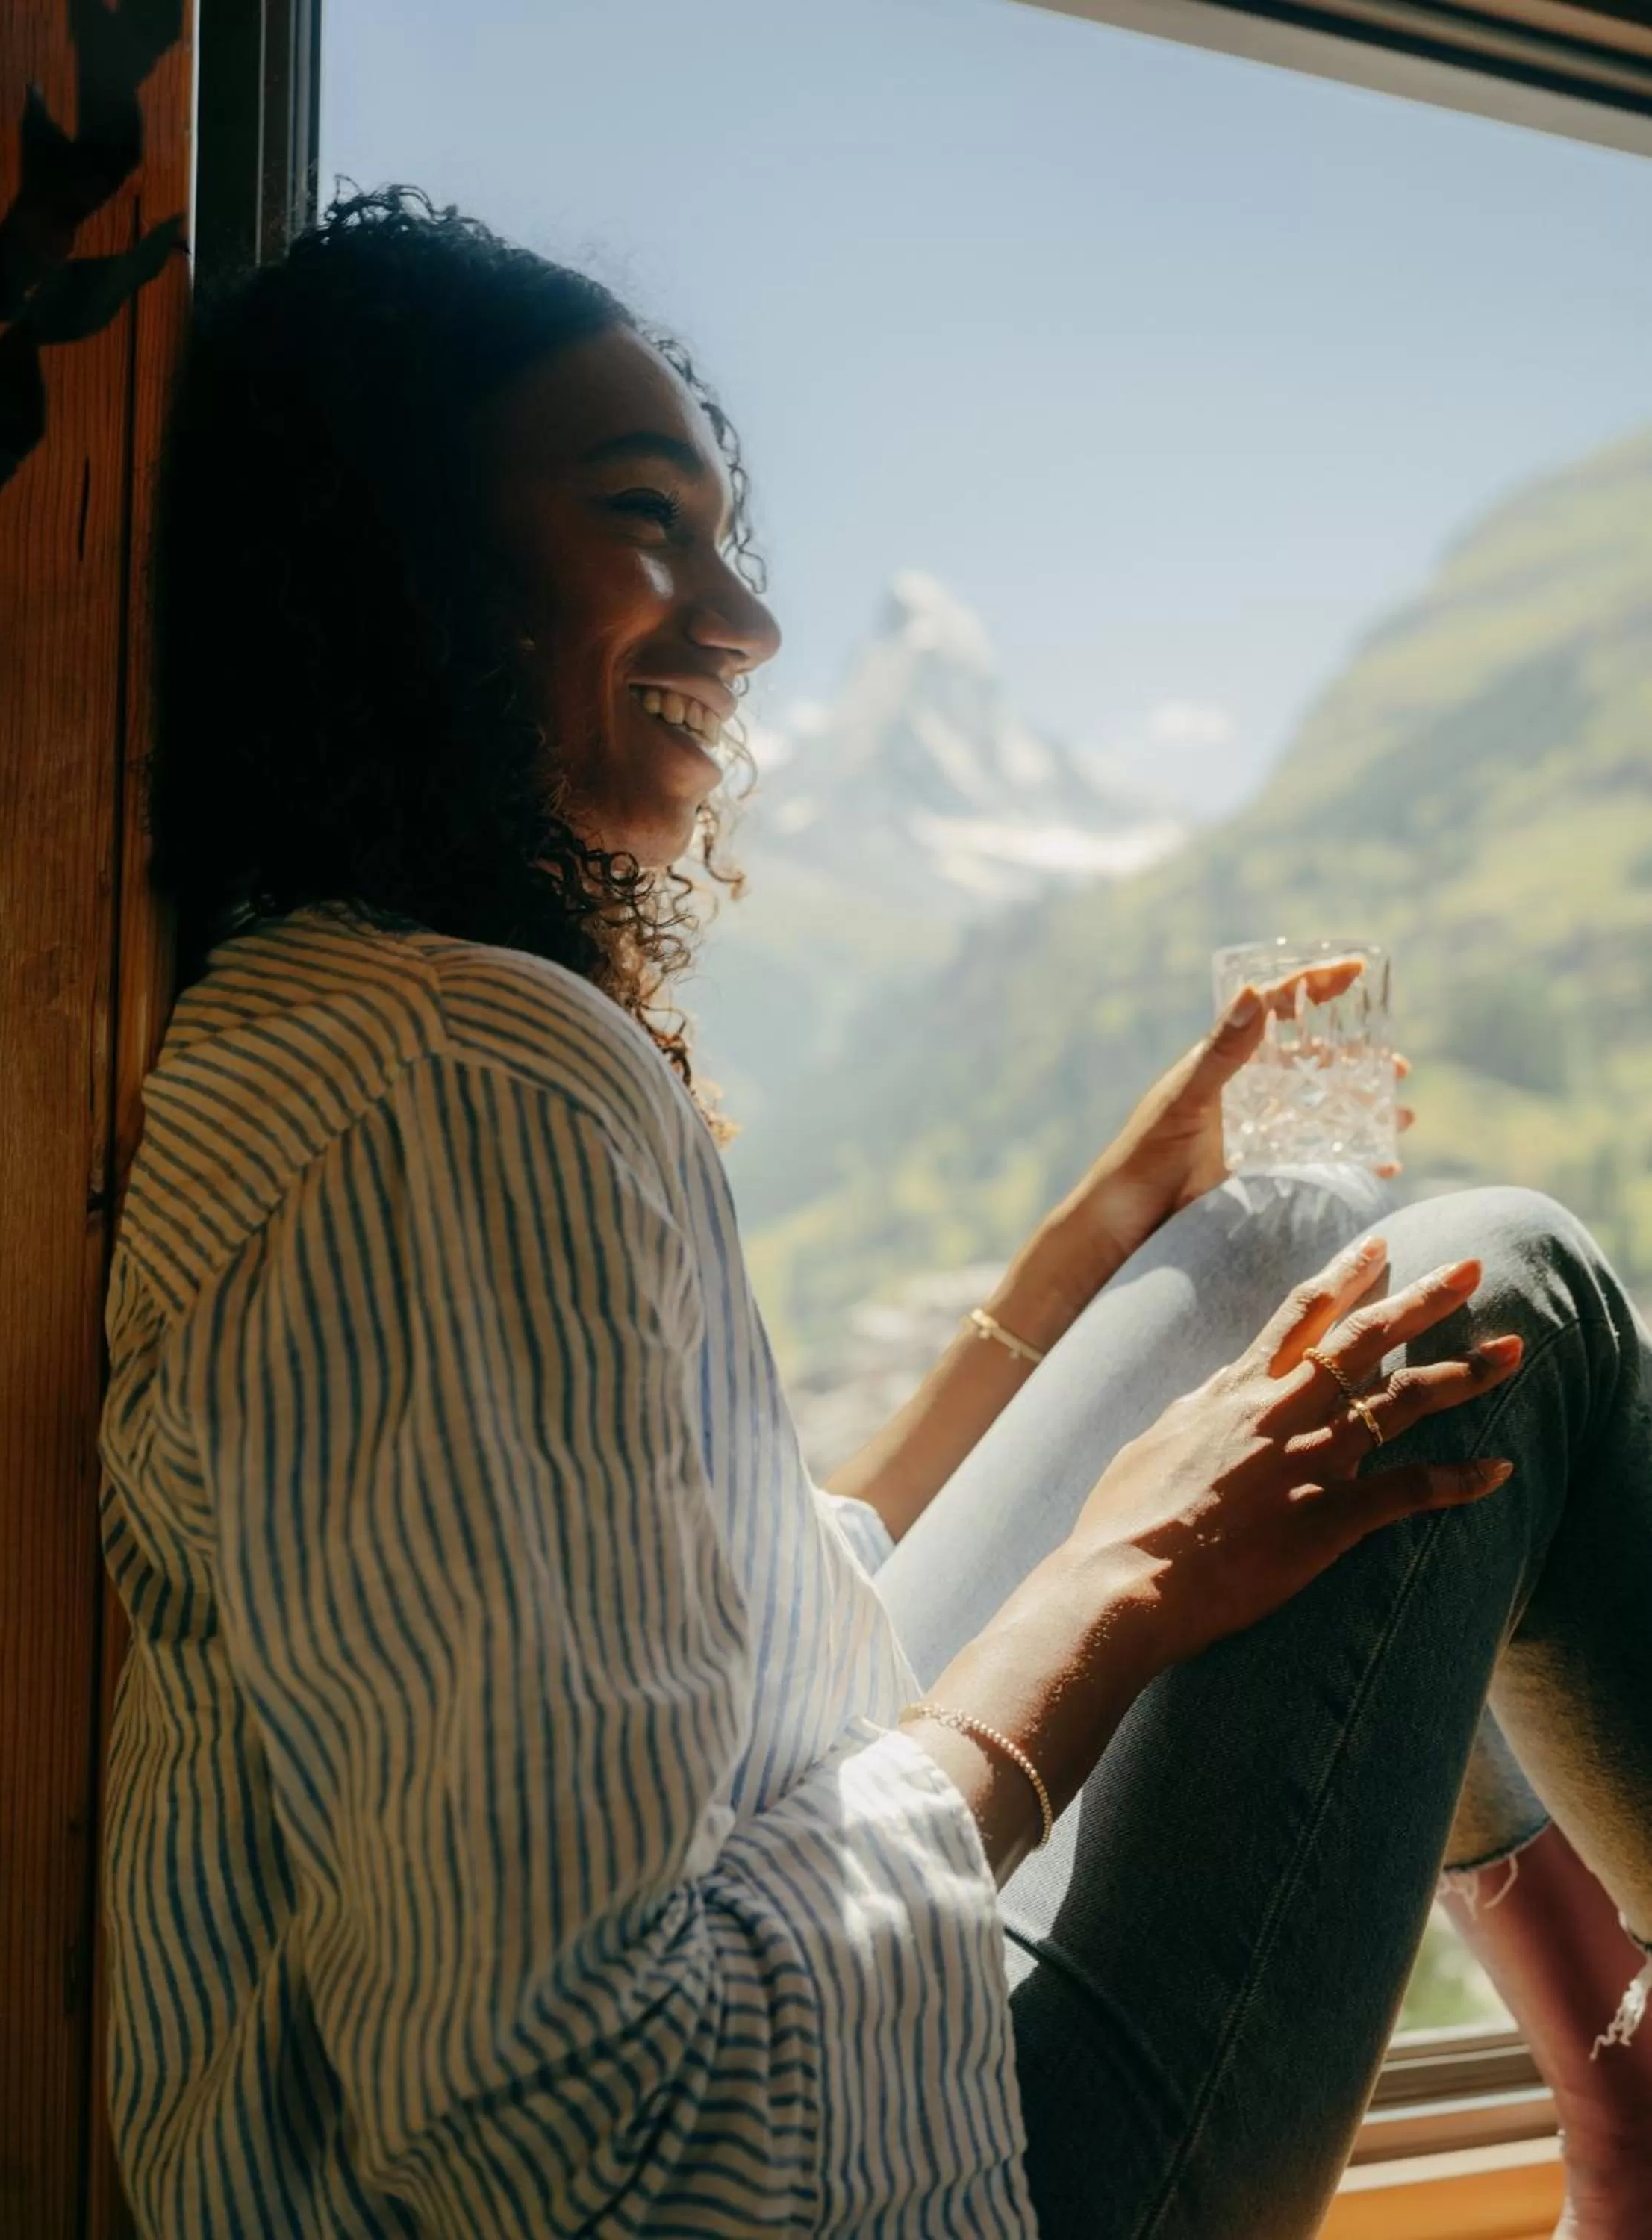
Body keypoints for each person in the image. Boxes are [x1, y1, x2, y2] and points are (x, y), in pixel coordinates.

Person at [101, 188, 1652, 2239]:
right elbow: (590, 2145)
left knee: (1293, 1243)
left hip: (809, 1990)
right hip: (869, 2186)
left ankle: (1604, 2044)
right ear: (399, 563)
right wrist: (1129, 1565)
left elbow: (754, 1643)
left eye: (726, 532)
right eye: (646, 513)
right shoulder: (463, 1079)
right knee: (1498, 1287)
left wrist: (1110, 1225)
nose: (741, 622)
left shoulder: (357, 1013)